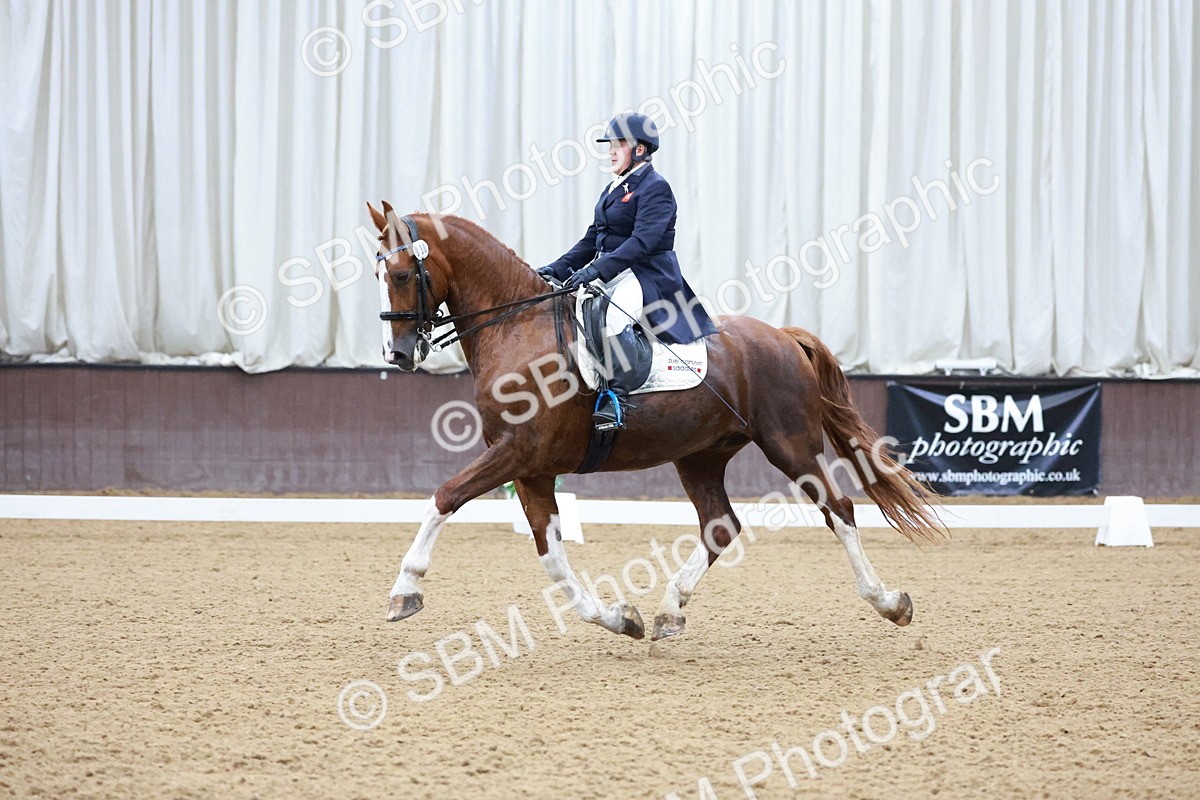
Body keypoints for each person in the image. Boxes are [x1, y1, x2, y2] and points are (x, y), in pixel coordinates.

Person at [539, 112, 718, 431]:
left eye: (618, 144)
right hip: (616, 268)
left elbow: (641, 242)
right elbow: (593, 237)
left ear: (639, 150)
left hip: (648, 274)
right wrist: (557, 267)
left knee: (614, 318)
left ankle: (616, 399)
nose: (610, 151)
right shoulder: (613, 188)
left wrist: (595, 270)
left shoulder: (656, 188)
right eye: (610, 144)